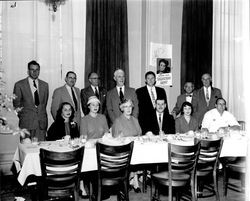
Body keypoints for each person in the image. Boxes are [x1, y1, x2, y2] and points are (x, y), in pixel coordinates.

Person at [13, 60, 49, 141]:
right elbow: (16, 105)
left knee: (41, 150)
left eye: (37, 70)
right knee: (26, 149)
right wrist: (25, 116)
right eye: (32, 69)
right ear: (28, 71)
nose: (35, 72)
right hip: (26, 124)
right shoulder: (19, 85)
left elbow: (44, 104)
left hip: (41, 125)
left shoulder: (45, 85)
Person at [111, 99, 141, 192]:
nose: (128, 109)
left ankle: (134, 179)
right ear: (122, 108)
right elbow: (115, 139)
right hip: (123, 150)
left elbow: (139, 133)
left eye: (130, 106)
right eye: (125, 106)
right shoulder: (118, 120)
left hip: (135, 148)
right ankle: (130, 179)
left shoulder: (135, 120)